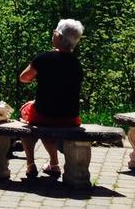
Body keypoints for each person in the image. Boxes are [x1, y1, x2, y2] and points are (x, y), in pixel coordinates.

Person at [18, 19, 85, 180]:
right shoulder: (76, 64)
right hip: (70, 118)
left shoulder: (44, 58)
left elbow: (23, 78)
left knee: (25, 117)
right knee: (47, 120)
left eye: (55, 31)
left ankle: (30, 165)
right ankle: (54, 164)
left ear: (59, 36)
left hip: (44, 115)